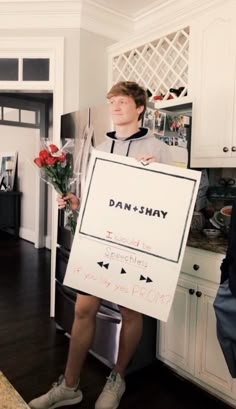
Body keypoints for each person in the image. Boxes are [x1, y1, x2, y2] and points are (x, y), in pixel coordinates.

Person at [28, 81, 173, 409]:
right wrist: (77, 202)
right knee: (82, 308)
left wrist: (157, 177)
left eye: (123, 102)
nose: (116, 107)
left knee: (129, 311)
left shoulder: (159, 147)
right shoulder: (99, 148)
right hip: (97, 237)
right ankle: (69, 385)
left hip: (136, 244)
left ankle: (117, 378)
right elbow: (98, 196)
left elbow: (174, 199)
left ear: (139, 109)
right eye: (113, 102)